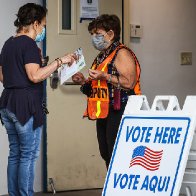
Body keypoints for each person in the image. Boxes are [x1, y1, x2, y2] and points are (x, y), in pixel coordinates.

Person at [0, 3, 75, 196]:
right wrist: (60, 61)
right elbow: (34, 76)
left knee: (15, 153)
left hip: (8, 103)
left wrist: (31, 71)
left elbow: (3, 75)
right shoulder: (29, 44)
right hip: (26, 106)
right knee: (28, 155)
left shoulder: (9, 43)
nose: (43, 29)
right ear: (34, 23)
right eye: (43, 24)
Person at [72, 14, 141, 169]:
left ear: (111, 34)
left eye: (98, 34)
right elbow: (98, 86)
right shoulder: (102, 56)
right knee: (106, 152)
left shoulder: (121, 53)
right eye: (92, 34)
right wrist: (83, 81)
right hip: (104, 110)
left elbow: (129, 82)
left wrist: (105, 76)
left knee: (116, 152)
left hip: (120, 108)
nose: (94, 38)